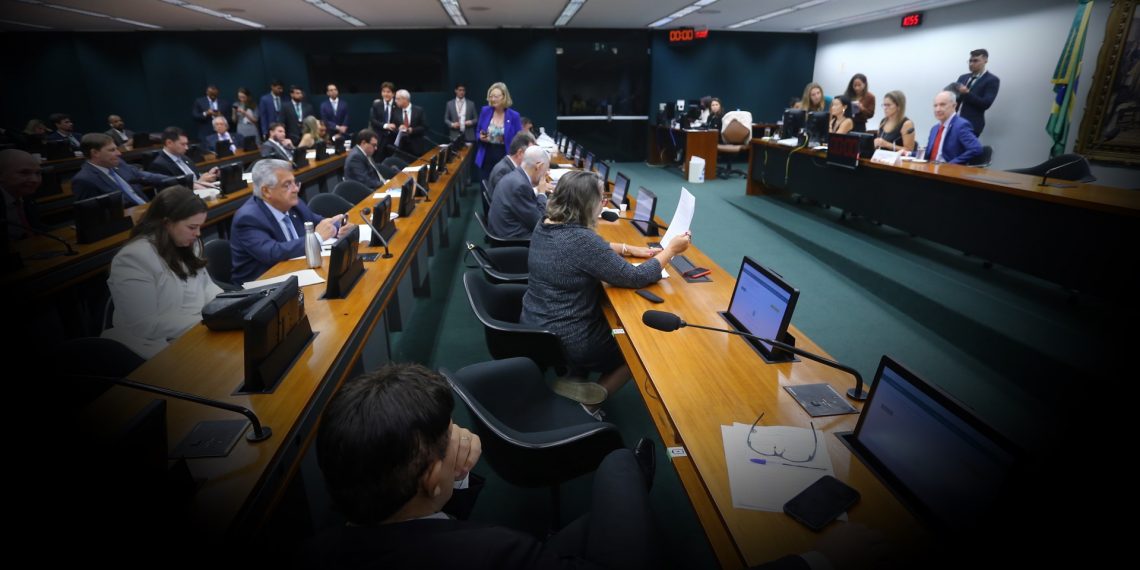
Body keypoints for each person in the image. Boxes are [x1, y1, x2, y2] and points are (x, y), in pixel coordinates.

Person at [304, 361, 663, 570]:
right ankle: (634, 468)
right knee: (619, 466)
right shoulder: (497, 552)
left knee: (590, 525)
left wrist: (452, 478)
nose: (458, 436)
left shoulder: (320, 548)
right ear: (429, 478)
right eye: (449, 435)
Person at [521, 170, 690, 415]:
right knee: (638, 347)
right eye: (601, 199)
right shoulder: (581, 240)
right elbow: (636, 277)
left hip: (538, 324)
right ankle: (590, 404)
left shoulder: (546, 222)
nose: (604, 203)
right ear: (586, 203)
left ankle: (575, 376)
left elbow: (586, 250)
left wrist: (627, 248)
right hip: (570, 336)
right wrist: (670, 250)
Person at [101, 186, 222, 359]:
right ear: (167, 223)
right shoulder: (132, 258)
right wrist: (206, 322)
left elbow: (207, 286)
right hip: (153, 345)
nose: (198, 233)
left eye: (200, 227)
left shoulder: (189, 243)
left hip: (196, 329)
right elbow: (144, 324)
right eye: (192, 227)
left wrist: (226, 306)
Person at [230, 159, 354, 285]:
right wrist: (316, 238)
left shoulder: (294, 203)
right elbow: (272, 252)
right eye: (287, 185)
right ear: (266, 191)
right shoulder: (248, 218)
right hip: (262, 287)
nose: (295, 189)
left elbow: (318, 221)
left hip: (299, 272)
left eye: (295, 183)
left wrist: (339, 228)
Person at [72, 133, 169, 205]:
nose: (119, 153)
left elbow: (146, 176)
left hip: (146, 210)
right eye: (112, 150)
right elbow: (91, 215)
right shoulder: (84, 180)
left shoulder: (119, 164)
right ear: (95, 153)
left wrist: (176, 179)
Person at [488, 145, 552, 240]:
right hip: (514, 241)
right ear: (538, 166)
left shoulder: (515, 176)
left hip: (504, 231)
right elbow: (539, 223)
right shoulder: (520, 186)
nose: (545, 174)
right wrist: (541, 193)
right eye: (546, 170)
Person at [475, 82, 522, 183]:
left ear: (504, 97)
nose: (493, 99)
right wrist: (480, 136)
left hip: (505, 156)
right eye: (491, 96)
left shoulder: (514, 116)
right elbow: (478, 131)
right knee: (485, 189)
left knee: (502, 189)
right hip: (486, 155)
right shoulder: (485, 111)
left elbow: (520, 139)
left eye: (496, 96)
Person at [146, 127, 219, 189]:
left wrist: (210, 174)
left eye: (186, 144)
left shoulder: (185, 157)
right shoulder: (158, 165)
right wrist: (200, 182)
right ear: (169, 143)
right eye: (183, 144)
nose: (187, 148)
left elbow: (195, 177)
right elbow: (173, 192)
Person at [924, 89, 983, 164]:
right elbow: (928, 153)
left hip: (946, 171)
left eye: (942, 105)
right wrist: (908, 153)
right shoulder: (934, 129)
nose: (937, 109)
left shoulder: (961, 125)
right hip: (929, 168)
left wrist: (951, 164)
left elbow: (976, 149)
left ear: (954, 105)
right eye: (935, 106)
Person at [0, 149, 46, 240]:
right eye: (24, 173)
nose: (35, 180)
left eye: (38, 173)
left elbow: (37, 228)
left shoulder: (25, 193)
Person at [953, 48, 1000, 136]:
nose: (971, 64)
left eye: (975, 61)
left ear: (985, 60)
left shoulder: (992, 80)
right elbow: (955, 99)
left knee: (964, 149)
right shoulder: (962, 77)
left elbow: (986, 104)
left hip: (971, 124)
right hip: (953, 121)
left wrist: (967, 93)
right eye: (970, 61)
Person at [487, 131, 536, 198]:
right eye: (531, 153)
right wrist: (539, 191)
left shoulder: (510, 166)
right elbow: (511, 199)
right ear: (520, 153)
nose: (533, 157)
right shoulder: (503, 171)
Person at [392, 89, 427, 156]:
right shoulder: (395, 111)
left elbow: (424, 126)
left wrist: (412, 130)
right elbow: (394, 127)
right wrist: (398, 128)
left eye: (397, 99)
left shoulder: (419, 110)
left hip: (416, 147)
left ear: (405, 99)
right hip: (402, 148)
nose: (395, 101)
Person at [369, 82, 399, 156]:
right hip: (379, 138)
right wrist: (385, 125)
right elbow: (373, 120)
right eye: (383, 91)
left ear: (393, 94)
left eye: (388, 92)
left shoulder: (398, 105)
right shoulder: (376, 104)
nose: (385, 94)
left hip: (393, 138)